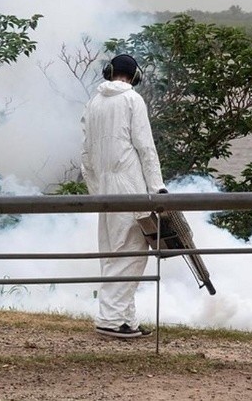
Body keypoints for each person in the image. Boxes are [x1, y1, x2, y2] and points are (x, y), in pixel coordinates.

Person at [80, 54, 167, 339]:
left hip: (104, 189)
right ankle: (110, 320)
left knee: (111, 252)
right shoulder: (133, 100)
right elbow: (146, 147)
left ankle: (125, 319)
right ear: (135, 76)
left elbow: (86, 156)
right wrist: (157, 189)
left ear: (109, 72)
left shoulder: (93, 103)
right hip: (129, 186)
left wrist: (96, 193)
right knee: (132, 252)